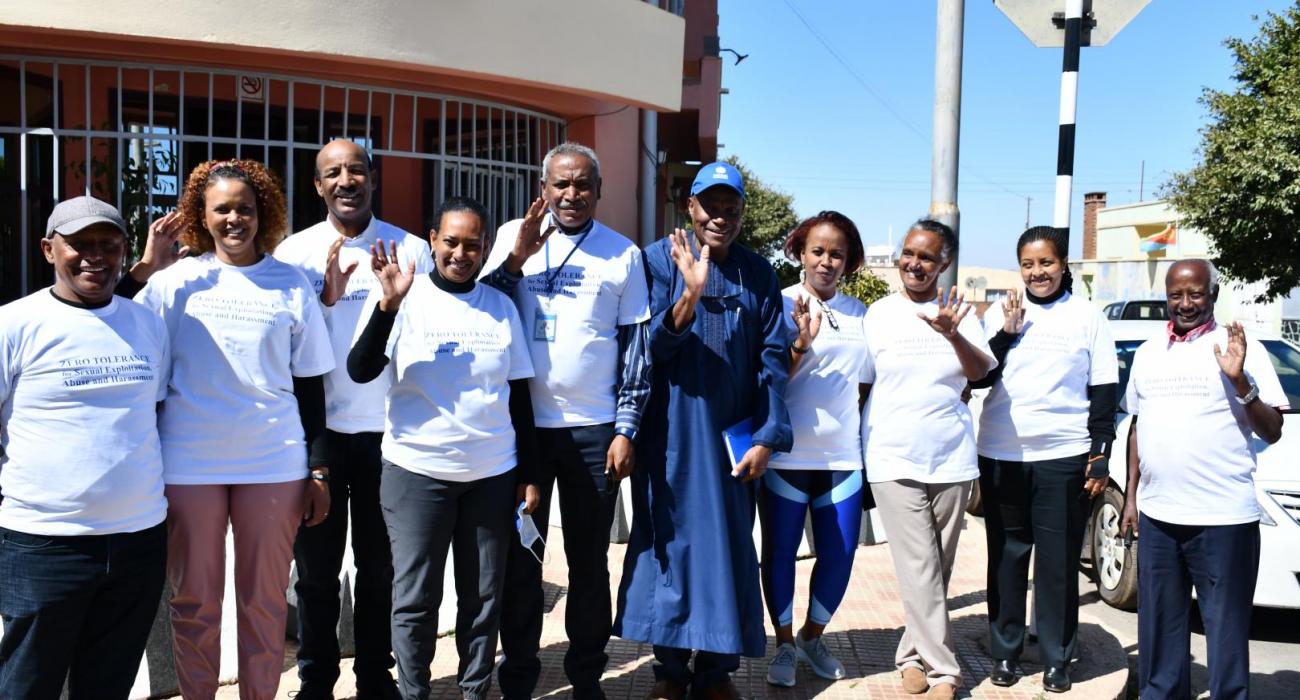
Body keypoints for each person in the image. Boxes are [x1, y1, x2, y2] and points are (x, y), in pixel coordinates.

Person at [134, 160, 334, 700]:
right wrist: (143, 270)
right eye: (221, 208)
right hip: (188, 462)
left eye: (245, 207)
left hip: (273, 461)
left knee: (264, 600)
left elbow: (312, 386)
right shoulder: (173, 284)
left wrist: (318, 468)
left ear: (262, 212)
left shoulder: (289, 284)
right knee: (195, 600)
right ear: (201, 215)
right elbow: (118, 338)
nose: (234, 218)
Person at [347, 196, 541, 700]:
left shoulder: (500, 306)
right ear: (432, 239)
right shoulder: (400, 297)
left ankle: (475, 690)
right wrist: (388, 307)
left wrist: (529, 473)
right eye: (450, 242)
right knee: (415, 598)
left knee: (482, 597)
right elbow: (361, 369)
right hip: (417, 472)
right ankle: (415, 692)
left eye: (472, 245)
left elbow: (519, 395)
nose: (461, 253)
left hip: (492, 474)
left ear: (485, 248)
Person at [477, 142, 650, 700]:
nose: (571, 195)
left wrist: (626, 428)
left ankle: (585, 676)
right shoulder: (510, 237)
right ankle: (520, 677)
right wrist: (516, 260)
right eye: (561, 185)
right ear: (543, 188)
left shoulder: (622, 254)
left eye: (582, 185)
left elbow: (636, 350)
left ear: (598, 191)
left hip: (593, 430)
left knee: (588, 560)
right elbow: (478, 309)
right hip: (520, 430)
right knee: (520, 560)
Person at [613, 162, 792, 700]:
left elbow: (773, 360)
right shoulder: (653, 261)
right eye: (710, 205)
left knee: (729, 550)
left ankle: (716, 673)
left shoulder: (758, 274)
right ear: (690, 206)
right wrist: (688, 295)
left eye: (730, 207)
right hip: (669, 434)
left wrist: (765, 436)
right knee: (666, 549)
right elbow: (647, 352)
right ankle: (670, 672)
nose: (721, 216)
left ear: (741, 212)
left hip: (732, 440)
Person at [274, 139, 432, 699]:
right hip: (316, 441)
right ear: (317, 186)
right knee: (315, 574)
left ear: (373, 179)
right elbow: (285, 349)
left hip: (390, 438)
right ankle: (315, 681)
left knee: (378, 569)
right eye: (333, 173)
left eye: (357, 170)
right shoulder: (292, 255)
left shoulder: (411, 248)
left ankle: (374, 678)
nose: (346, 181)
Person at [0, 197, 170, 699]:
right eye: (80, 244)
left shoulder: (148, 325)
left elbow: (151, 415)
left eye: (108, 243)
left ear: (124, 250)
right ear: (49, 250)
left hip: (139, 539)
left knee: (108, 685)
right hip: (43, 543)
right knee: (27, 686)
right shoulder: (13, 324)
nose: (95, 255)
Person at [1121, 259, 1286, 700]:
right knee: (1159, 634)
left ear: (1213, 295)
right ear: (1166, 298)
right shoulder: (1147, 352)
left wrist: (1240, 383)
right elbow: (1138, 428)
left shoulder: (1239, 350)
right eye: (1176, 294)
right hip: (1158, 517)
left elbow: (1272, 429)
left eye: (1195, 294)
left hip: (1223, 519)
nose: (1185, 303)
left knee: (1226, 634)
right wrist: (1131, 498)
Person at [971, 226, 1118, 692]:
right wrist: (1006, 335)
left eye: (1046, 263)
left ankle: (1057, 657)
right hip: (1001, 452)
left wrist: (1100, 453)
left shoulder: (1088, 316)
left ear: (1063, 264)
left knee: (1056, 563)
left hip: (1063, 455)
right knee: (1008, 557)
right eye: (1028, 265)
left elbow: (1103, 391)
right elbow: (976, 378)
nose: (1037, 273)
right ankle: (1007, 652)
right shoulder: (1000, 311)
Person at [861, 220, 994, 700]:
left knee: (937, 567)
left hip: (951, 458)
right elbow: (861, 385)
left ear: (943, 265)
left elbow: (979, 375)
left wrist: (955, 334)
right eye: (908, 253)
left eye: (927, 257)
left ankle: (911, 656)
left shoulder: (958, 311)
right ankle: (944, 671)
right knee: (919, 566)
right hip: (893, 455)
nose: (914, 264)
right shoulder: (877, 314)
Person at [760, 211, 868, 687]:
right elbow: (766, 381)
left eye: (837, 254)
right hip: (786, 456)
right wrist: (800, 345)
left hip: (843, 458)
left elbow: (867, 385)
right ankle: (783, 644)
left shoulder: (862, 314)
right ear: (800, 253)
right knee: (780, 553)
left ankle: (811, 635)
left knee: (840, 555)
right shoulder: (779, 303)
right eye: (817, 251)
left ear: (849, 261)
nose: (826, 261)